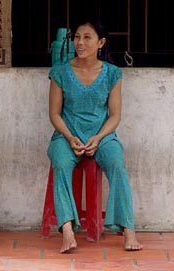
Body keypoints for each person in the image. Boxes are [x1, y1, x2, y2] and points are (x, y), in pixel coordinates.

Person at [47, 16, 143, 253]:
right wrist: (70, 138)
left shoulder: (112, 73)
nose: (80, 42)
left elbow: (114, 116)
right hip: (66, 136)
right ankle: (68, 231)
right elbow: (54, 114)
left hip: (103, 137)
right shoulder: (60, 72)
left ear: (100, 43)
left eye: (86, 37)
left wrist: (98, 138)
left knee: (117, 164)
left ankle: (128, 230)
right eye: (77, 37)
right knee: (60, 164)